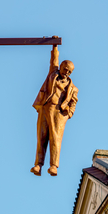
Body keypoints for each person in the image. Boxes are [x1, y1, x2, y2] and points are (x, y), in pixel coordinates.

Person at [31, 44, 78, 176]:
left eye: (69, 72)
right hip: (46, 108)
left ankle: (53, 166)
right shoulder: (53, 74)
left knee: (55, 138)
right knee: (42, 136)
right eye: (65, 69)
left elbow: (74, 102)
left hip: (59, 112)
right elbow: (54, 60)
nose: (66, 73)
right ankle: (38, 165)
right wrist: (55, 46)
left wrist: (69, 113)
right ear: (61, 67)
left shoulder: (73, 88)